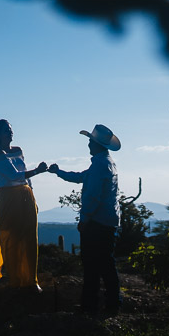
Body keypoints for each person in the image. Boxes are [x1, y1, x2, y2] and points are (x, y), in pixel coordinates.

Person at [48, 124, 121, 315]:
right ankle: (109, 304)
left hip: (97, 222)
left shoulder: (99, 164)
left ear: (96, 144)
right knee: (105, 264)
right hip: (108, 221)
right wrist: (59, 172)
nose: (88, 144)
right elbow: (82, 177)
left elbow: (93, 195)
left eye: (90, 141)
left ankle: (91, 306)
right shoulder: (106, 162)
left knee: (93, 265)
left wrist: (85, 219)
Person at [0, 119, 48, 292]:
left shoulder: (18, 150)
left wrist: (32, 194)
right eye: (6, 130)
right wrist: (37, 170)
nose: (11, 132)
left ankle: (30, 280)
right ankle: (16, 280)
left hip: (25, 196)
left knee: (29, 237)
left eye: (10, 129)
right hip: (9, 198)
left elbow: (24, 177)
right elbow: (13, 175)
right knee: (12, 238)